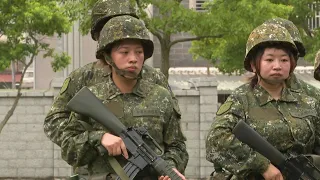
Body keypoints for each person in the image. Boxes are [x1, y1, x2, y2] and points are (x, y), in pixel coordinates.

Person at [59, 15, 188, 180]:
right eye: (124, 52)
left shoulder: (161, 97)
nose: (133, 58)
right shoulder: (93, 98)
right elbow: (69, 150)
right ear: (108, 57)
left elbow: (177, 146)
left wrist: (170, 168)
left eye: (139, 52)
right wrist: (100, 139)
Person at [44, 0, 180, 149]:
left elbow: (173, 136)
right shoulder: (82, 77)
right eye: (111, 26)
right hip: (95, 169)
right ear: (99, 35)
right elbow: (54, 123)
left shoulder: (154, 78)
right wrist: (95, 139)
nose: (120, 29)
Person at [206, 23, 320, 179]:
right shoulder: (241, 99)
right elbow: (216, 141)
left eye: (284, 60)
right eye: (269, 60)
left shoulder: (308, 102)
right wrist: (263, 166)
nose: (277, 66)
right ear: (254, 65)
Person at [263, 18, 320, 100]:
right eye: (270, 58)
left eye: (285, 57)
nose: (277, 65)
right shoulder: (241, 99)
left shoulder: (314, 97)